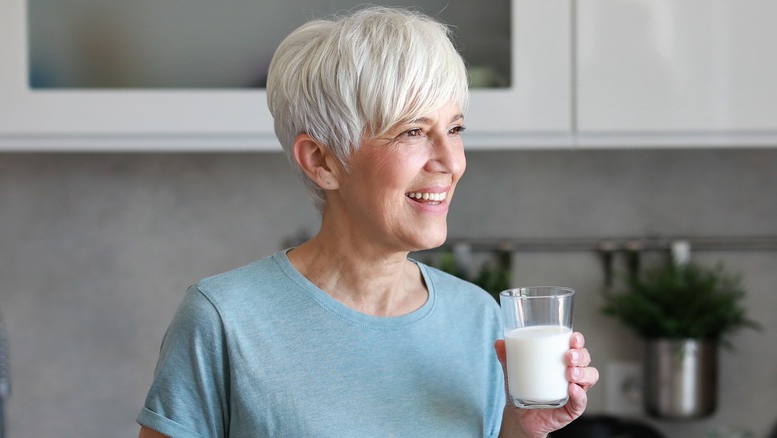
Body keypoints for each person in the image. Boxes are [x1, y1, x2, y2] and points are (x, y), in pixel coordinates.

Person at [137, 6, 598, 438]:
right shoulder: (224, 319)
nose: (450, 161)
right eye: (413, 132)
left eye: (454, 129)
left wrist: (521, 430)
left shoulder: (479, 319)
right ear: (322, 161)